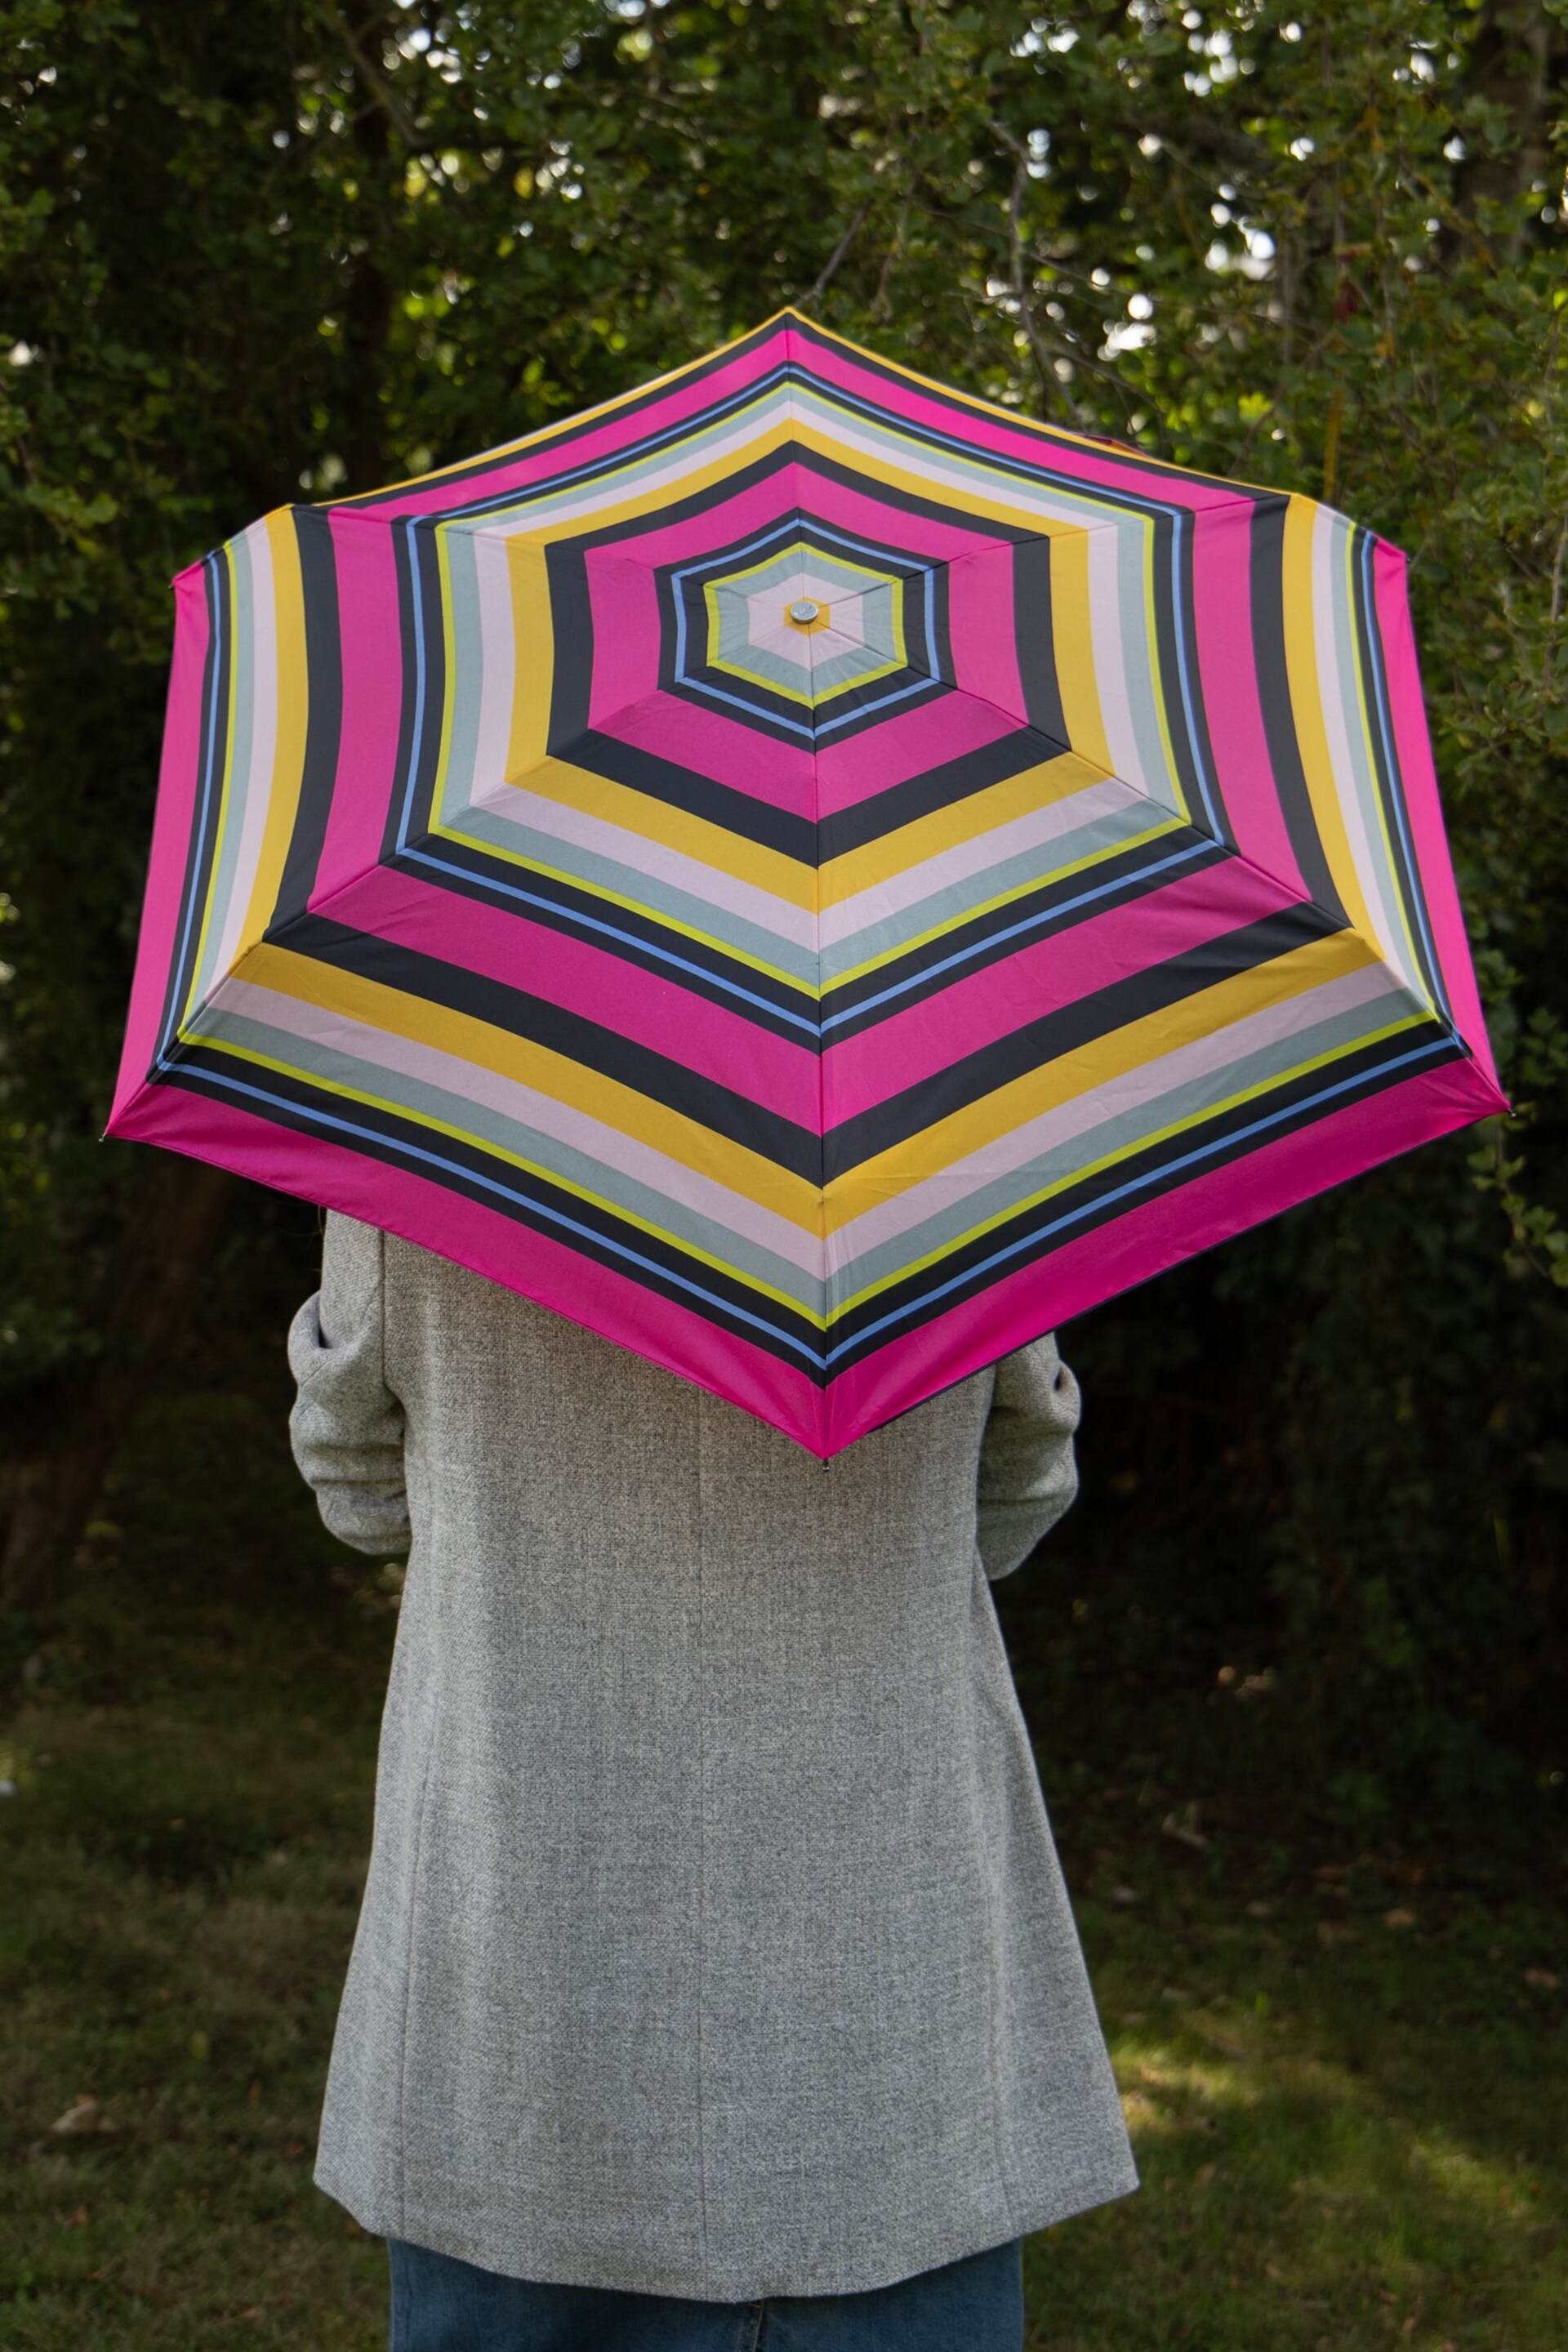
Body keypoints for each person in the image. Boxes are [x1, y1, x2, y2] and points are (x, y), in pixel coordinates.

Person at [288, 1213, 1136, 2351]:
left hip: (531, 1975)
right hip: (883, 1998)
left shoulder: (425, 1123)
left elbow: (357, 1489)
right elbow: (1020, 1488)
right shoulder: (954, 1153)